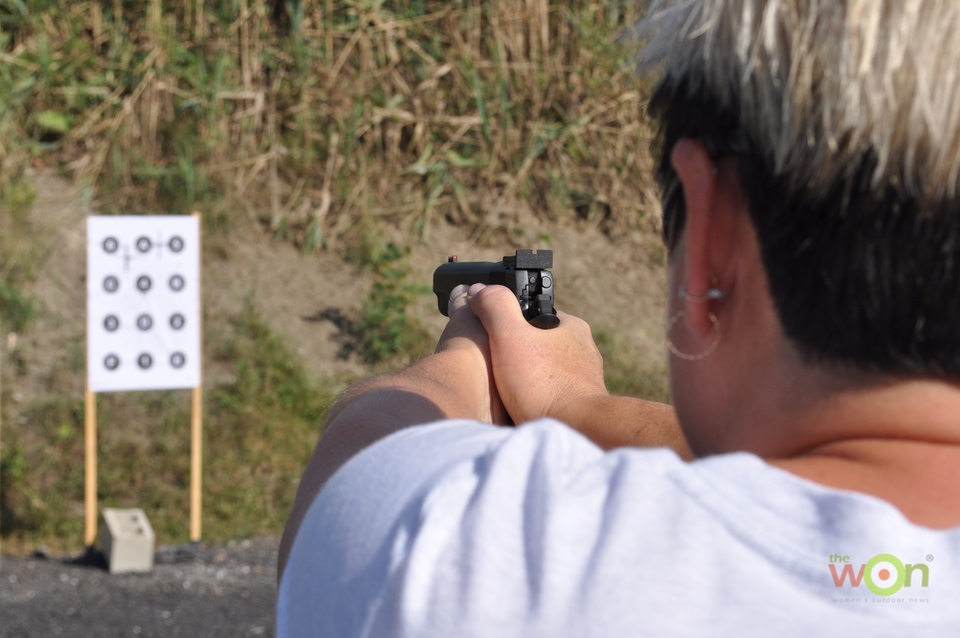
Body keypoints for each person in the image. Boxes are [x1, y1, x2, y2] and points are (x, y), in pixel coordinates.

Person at [276, 1, 960, 635]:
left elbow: (357, 469)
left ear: (710, 248)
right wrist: (571, 401)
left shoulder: (495, 564)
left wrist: (473, 357)